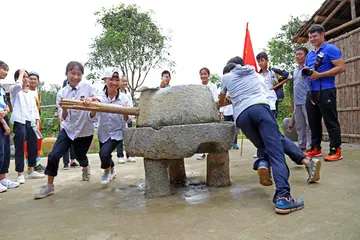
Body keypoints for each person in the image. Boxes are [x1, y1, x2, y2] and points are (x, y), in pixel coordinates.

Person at [217, 56, 318, 214]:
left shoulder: (226, 78)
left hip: (242, 117)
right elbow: (267, 94)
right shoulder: (255, 74)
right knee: (276, 152)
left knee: (264, 145)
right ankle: (283, 198)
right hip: (261, 110)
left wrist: (230, 100)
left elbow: (221, 102)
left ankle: (264, 163)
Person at [34, 61, 100, 199]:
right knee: (53, 156)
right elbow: (63, 117)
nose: (75, 77)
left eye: (78, 74)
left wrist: (92, 99)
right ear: (67, 74)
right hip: (68, 130)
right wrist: (64, 107)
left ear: (82, 75)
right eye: (72, 73)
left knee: (80, 156)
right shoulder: (62, 92)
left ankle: (85, 166)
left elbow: (100, 99)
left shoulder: (88, 88)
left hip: (84, 131)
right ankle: (49, 186)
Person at [304, 24, 346, 161]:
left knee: (330, 121)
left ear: (322, 34)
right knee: (313, 122)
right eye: (310, 37)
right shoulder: (310, 54)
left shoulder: (330, 49)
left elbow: (341, 67)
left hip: (326, 89)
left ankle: (336, 150)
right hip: (311, 91)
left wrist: (320, 75)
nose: (312, 39)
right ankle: (316, 148)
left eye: (315, 36)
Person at [90, 72, 130, 185]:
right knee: (104, 154)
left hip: (117, 132)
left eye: (117, 80)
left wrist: (125, 112)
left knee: (104, 153)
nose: (114, 83)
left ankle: (106, 171)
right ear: (105, 80)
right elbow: (93, 118)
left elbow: (128, 120)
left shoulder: (124, 98)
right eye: (111, 79)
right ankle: (112, 169)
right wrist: (93, 106)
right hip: (103, 132)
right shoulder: (99, 97)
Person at [10, 69, 44, 184]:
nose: (26, 79)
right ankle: (20, 173)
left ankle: (32, 169)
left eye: (27, 77)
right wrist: (20, 74)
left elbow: (34, 108)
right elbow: (18, 86)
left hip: (31, 123)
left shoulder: (30, 93)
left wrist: (37, 120)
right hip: (20, 122)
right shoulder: (15, 90)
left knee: (33, 146)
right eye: (23, 77)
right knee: (20, 147)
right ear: (17, 78)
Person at [0, 61, 19, 193]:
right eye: (4, 69)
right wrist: (4, 123)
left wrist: (6, 112)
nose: (6, 73)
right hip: (1, 120)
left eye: (7, 70)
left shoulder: (1, 88)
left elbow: (6, 104)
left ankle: (3, 178)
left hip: (3, 116)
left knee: (5, 150)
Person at [288, 47, 311, 151]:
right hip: (297, 102)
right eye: (296, 54)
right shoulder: (295, 70)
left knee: (309, 124)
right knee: (299, 124)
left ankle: (310, 145)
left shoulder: (308, 69)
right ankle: (301, 145)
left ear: (306, 56)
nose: (298, 56)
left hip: (307, 100)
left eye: (300, 54)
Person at [24, 71, 45, 172]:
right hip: (27, 121)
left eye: (34, 79)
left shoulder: (37, 92)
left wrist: (38, 120)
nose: (32, 81)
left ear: (38, 81)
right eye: (30, 78)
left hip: (37, 121)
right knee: (28, 144)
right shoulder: (25, 91)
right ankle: (30, 165)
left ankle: (37, 163)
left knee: (38, 142)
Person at [197, 67, 218, 160]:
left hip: (210, 111)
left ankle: (212, 151)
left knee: (211, 131)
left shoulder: (212, 86)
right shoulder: (198, 87)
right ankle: (202, 152)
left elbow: (215, 99)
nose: (203, 76)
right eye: (201, 74)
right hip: (201, 112)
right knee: (202, 132)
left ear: (208, 75)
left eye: (205, 74)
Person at [58, 79, 79, 169]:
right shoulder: (61, 95)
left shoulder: (76, 95)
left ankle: (73, 160)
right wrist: (60, 125)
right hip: (65, 124)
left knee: (73, 143)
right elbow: (60, 113)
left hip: (74, 125)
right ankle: (66, 163)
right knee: (65, 144)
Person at [117, 74, 136, 163]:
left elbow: (131, 105)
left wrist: (132, 116)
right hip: (118, 118)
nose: (125, 83)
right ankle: (120, 155)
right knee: (119, 137)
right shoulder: (116, 93)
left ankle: (129, 155)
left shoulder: (127, 93)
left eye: (126, 81)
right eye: (123, 81)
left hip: (128, 116)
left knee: (128, 137)